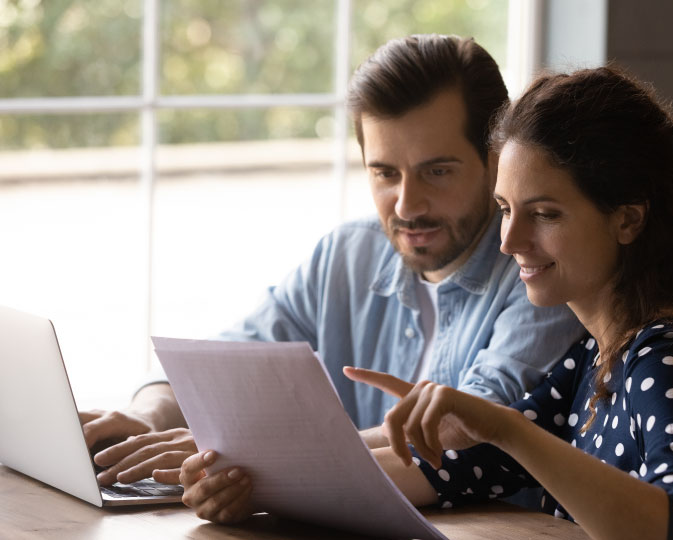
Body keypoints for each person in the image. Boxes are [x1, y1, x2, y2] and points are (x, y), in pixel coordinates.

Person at [180, 67, 673, 538]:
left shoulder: (668, 350)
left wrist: (504, 427)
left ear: (628, 219)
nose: (510, 242)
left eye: (546, 214)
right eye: (506, 209)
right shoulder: (594, 355)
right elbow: (456, 466)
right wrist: (253, 481)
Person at [81, 34, 582, 488]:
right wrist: (147, 417)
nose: (407, 205)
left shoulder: (538, 272)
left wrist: (257, 458)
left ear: (495, 160)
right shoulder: (347, 255)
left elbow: (470, 426)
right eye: (385, 173)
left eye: (437, 171)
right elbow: (224, 365)